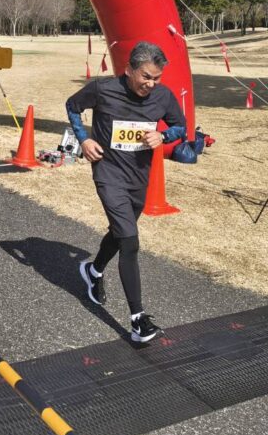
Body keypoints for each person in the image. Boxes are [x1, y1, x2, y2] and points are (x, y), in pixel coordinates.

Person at [65, 41, 186, 343]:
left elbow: (180, 127)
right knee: (130, 242)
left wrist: (163, 135)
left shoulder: (162, 96)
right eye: (146, 76)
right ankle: (138, 320)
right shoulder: (103, 89)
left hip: (138, 176)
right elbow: (72, 106)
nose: (151, 84)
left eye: (156, 78)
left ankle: (93, 270)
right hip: (108, 174)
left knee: (122, 232)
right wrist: (83, 139)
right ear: (129, 69)